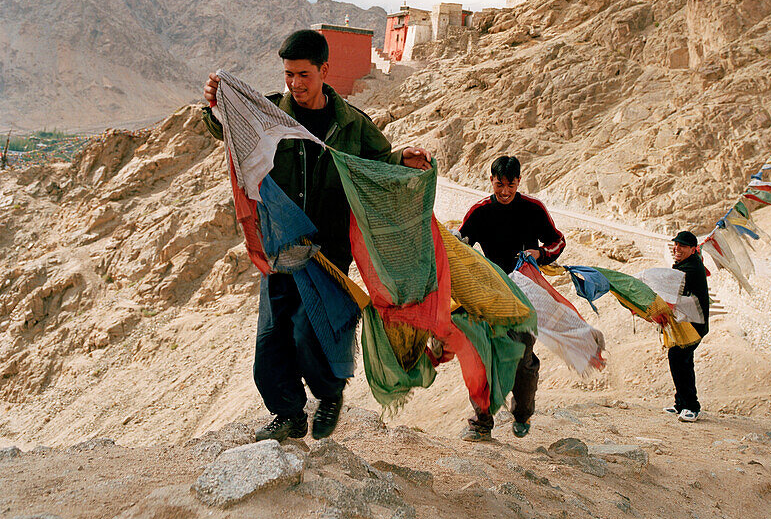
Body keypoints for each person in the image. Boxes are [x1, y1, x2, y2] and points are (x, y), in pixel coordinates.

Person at [203, 28, 430, 442]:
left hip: (327, 255)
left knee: (312, 334)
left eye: (304, 74)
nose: (295, 83)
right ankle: (288, 413)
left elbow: (377, 165)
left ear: (325, 70)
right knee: (271, 342)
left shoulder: (351, 125)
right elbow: (226, 129)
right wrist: (215, 104)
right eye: (289, 74)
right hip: (282, 246)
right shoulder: (269, 113)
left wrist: (403, 159)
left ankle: (328, 395)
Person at [457, 155, 565, 441]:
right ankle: (481, 423)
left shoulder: (533, 209)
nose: (504, 191)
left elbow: (558, 240)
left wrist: (540, 254)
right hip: (489, 292)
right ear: (491, 180)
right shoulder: (480, 211)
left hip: (525, 293)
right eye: (499, 184)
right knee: (480, 355)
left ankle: (523, 413)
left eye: (510, 185)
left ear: (519, 181)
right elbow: (461, 242)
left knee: (521, 358)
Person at [664, 230, 710, 422]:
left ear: (693, 249)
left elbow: (670, 285)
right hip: (687, 322)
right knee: (681, 359)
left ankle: (692, 407)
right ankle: (681, 404)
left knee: (678, 357)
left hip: (694, 324)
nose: (677, 248)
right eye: (676, 245)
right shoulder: (686, 264)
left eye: (682, 246)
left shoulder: (690, 268)